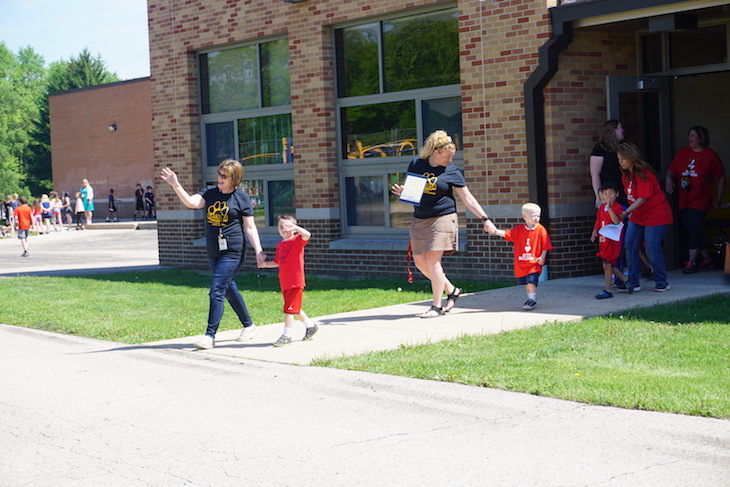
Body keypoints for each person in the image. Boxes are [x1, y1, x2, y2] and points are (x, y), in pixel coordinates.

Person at [161, 159, 266, 349]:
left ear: (234, 179)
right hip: (214, 249)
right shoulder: (210, 193)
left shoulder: (241, 198)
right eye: (218, 174)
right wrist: (175, 184)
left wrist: (258, 250)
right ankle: (249, 325)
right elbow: (192, 203)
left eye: (223, 176)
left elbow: (250, 227)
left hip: (233, 250)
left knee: (217, 289)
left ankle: (210, 335)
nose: (219, 178)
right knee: (228, 288)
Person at [390, 130, 494, 318]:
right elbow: (414, 193)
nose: (450, 159)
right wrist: (404, 192)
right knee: (421, 263)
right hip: (420, 218)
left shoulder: (451, 171)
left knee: (433, 261)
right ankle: (452, 290)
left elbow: (467, 197)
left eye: (452, 155)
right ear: (435, 152)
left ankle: (436, 306)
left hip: (443, 217)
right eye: (447, 156)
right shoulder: (416, 164)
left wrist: (485, 219)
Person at [665, 126, 726, 274]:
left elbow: (721, 176)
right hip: (684, 199)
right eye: (689, 135)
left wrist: (718, 199)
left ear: (701, 138)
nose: (689, 138)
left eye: (692, 135)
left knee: (693, 227)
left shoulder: (710, 156)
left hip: (701, 199)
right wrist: (668, 179)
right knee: (692, 229)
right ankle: (707, 259)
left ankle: (692, 262)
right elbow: (671, 170)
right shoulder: (682, 153)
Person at [616, 142, 673, 293]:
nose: (620, 162)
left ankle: (662, 282)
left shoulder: (644, 173)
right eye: (619, 158)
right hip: (638, 215)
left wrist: (626, 212)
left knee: (652, 246)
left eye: (622, 159)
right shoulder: (626, 175)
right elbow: (633, 197)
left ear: (631, 158)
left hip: (656, 214)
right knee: (630, 245)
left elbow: (642, 198)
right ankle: (633, 283)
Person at [258, 215, 318, 347]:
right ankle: (311, 326)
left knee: (289, 310)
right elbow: (277, 262)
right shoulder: (280, 244)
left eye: (287, 226)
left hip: (295, 281)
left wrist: (296, 228)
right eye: (281, 227)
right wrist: (265, 265)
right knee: (294, 308)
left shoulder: (297, 240)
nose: (284, 229)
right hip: (285, 281)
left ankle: (286, 336)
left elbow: (307, 234)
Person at [487, 202, 552, 310]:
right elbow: (507, 234)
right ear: (525, 216)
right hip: (521, 263)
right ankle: (530, 298)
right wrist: (495, 231)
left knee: (531, 281)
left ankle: (532, 300)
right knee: (526, 283)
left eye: (538, 216)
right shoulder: (519, 230)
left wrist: (542, 256)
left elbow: (545, 244)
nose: (536, 218)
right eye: (533, 216)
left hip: (534, 263)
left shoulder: (541, 230)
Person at [590, 182, 631, 299]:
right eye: (605, 194)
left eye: (611, 193)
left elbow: (616, 221)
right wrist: (594, 232)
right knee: (608, 265)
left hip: (613, 241)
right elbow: (598, 222)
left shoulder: (617, 207)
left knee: (607, 264)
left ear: (617, 194)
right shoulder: (601, 208)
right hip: (603, 241)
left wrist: (610, 209)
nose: (608, 196)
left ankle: (608, 290)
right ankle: (626, 280)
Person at [590, 120, 627, 208]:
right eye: (620, 128)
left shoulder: (623, 147)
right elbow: (595, 174)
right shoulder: (600, 148)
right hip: (609, 193)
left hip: (624, 190)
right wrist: (599, 196)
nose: (623, 130)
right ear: (613, 130)